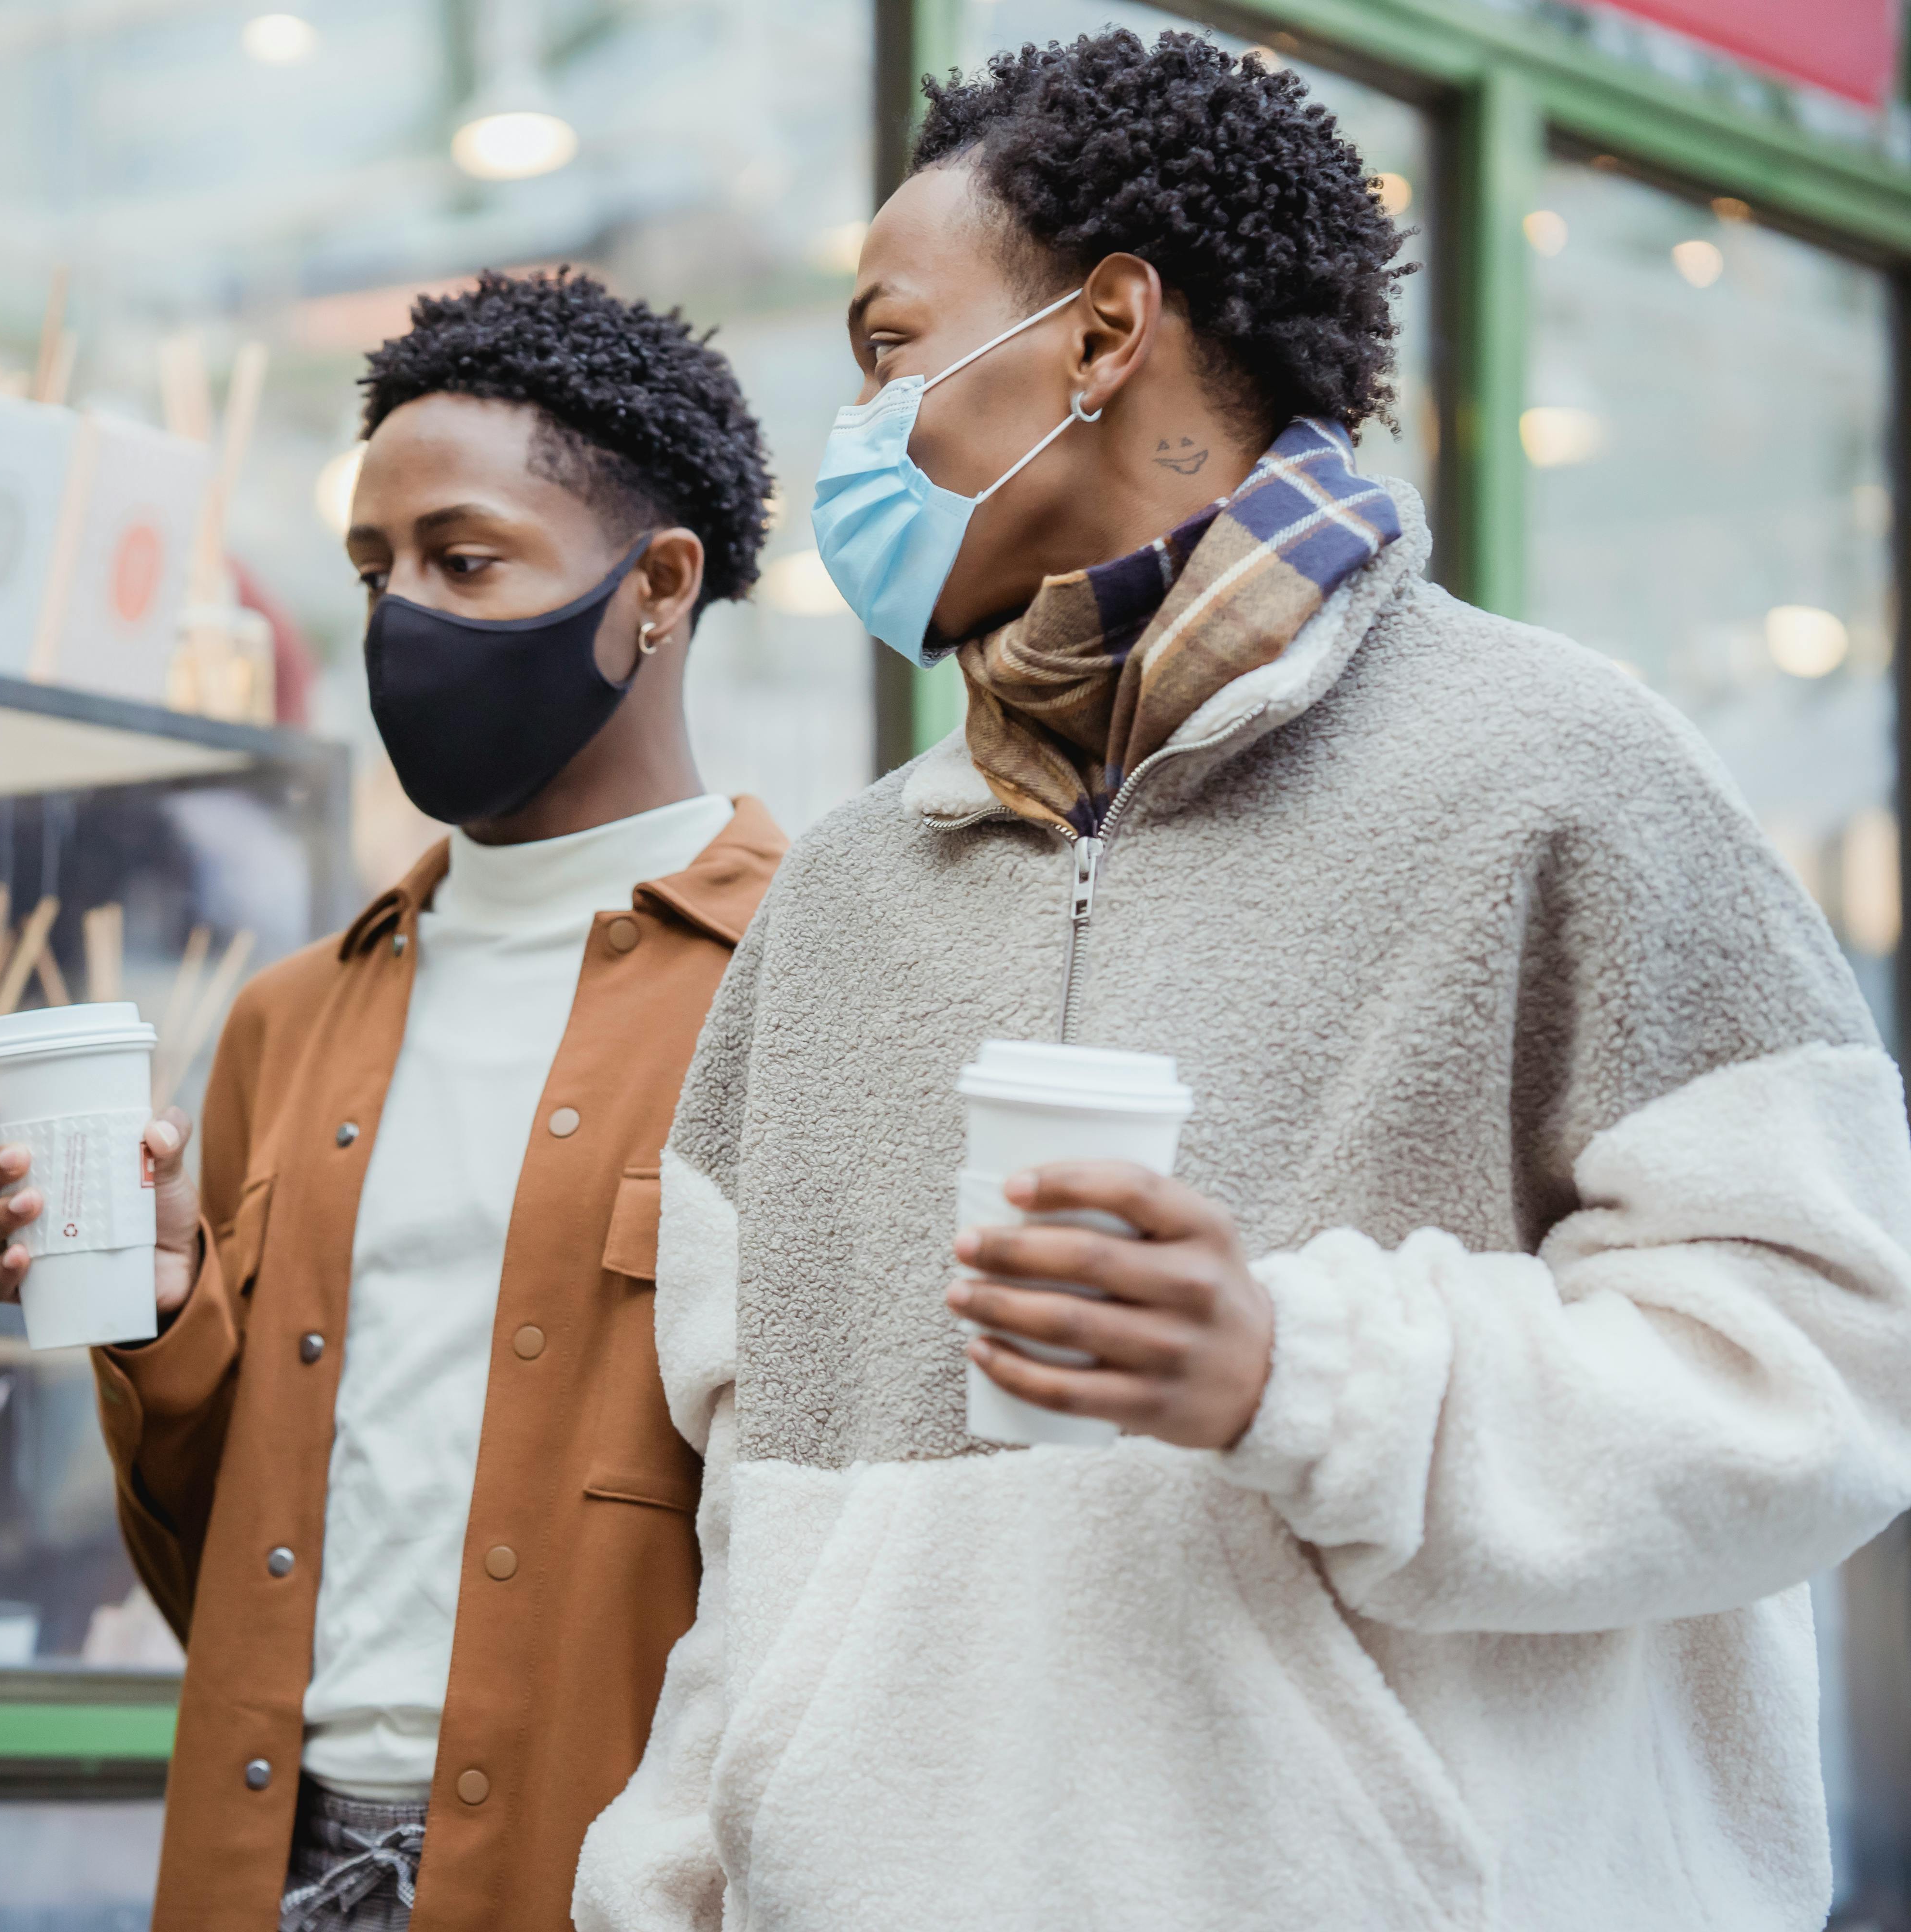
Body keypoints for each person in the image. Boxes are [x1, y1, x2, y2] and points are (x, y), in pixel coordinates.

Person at [575, 30, 1911, 1932]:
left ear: (1106, 335)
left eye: (889, 345)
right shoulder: (847, 894)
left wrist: (1300, 1372)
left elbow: (1836, 1371)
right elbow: (759, 1517)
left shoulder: (1560, 769)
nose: (859, 424)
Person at [0, 269, 787, 1932]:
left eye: (464, 561)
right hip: (274, 1865)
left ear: (660, 588)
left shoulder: (810, 984)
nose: (403, 618)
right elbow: (218, 1573)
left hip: (618, 1880)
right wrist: (165, 1311)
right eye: (372, 570)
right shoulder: (291, 1020)